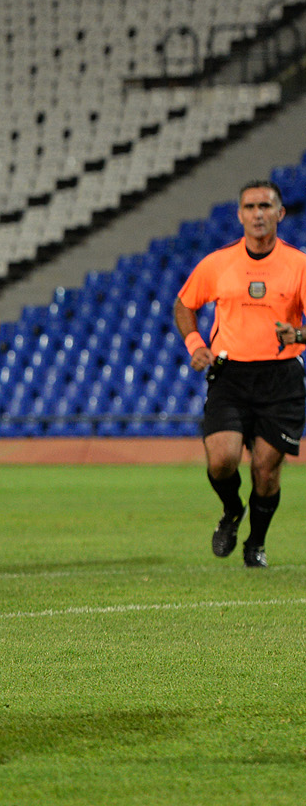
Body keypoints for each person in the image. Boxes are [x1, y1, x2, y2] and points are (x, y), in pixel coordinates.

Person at [175, 179, 306, 569]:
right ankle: (232, 510)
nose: (257, 214)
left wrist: (299, 334)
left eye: (265, 206)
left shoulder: (298, 265)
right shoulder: (218, 263)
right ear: (239, 215)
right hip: (229, 373)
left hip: (281, 377)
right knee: (222, 460)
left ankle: (256, 543)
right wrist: (195, 344)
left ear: (280, 213)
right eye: (250, 207)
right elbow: (184, 305)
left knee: (265, 470)